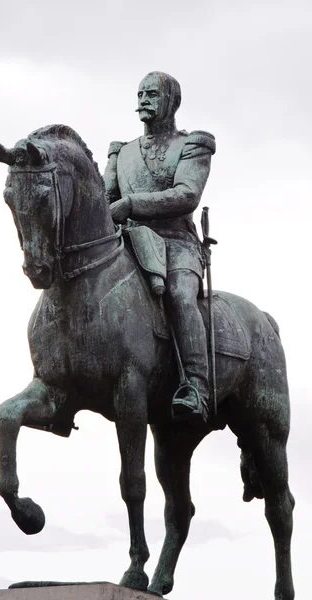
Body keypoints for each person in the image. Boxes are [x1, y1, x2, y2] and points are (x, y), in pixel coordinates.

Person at [103, 71, 216, 421]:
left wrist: (132, 204)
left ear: (172, 101)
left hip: (176, 243)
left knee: (181, 295)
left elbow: (187, 195)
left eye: (151, 94)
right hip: (130, 242)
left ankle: (196, 386)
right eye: (139, 94)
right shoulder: (121, 153)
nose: (143, 100)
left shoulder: (192, 145)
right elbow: (105, 200)